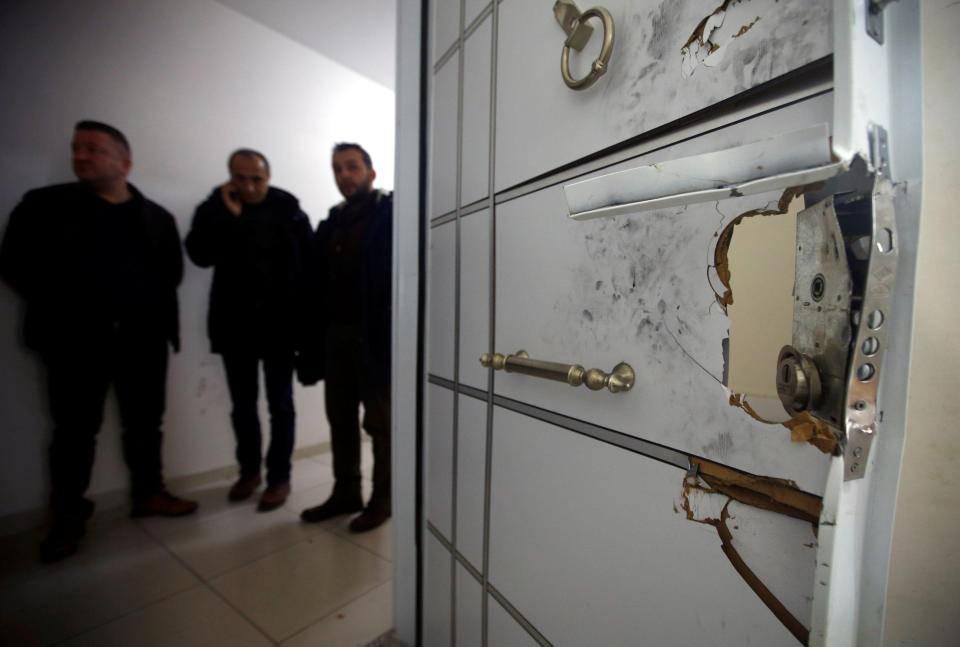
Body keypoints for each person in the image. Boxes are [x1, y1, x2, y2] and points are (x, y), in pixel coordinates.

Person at [0, 120, 198, 563]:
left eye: (93, 149)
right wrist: (69, 305)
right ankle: (68, 518)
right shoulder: (45, 206)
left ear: (124, 162)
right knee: (74, 431)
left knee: (146, 423)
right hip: (74, 340)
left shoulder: (156, 217)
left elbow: (172, 275)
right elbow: (13, 264)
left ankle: (149, 493)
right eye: (76, 148)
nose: (81, 157)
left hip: (142, 340)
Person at [185, 149, 313, 512]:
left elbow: (307, 269)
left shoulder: (289, 210)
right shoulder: (215, 209)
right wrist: (229, 217)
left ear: (268, 177)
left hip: (280, 328)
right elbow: (199, 254)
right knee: (243, 407)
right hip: (234, 327)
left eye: (256, 178)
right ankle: (249, 473)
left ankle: (279, 478)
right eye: (241, 178)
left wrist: (305, 328)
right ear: (230, 178)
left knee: (281, 406)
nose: (249, 186)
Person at [300, 143, 392, 533]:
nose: (344, 176)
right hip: (335, 337)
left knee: (380, 423)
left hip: (374, 338)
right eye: (337, 169)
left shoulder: (390, 213)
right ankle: (346, 492)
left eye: (352, 167)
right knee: (339, 417)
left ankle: (383, 500)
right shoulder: (332, 222)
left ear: (371, 172)